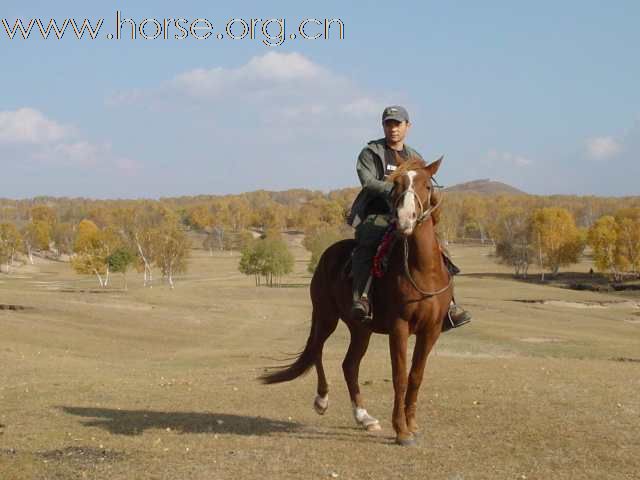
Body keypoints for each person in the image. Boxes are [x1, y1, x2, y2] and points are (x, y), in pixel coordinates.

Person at [346, 105, 472, 329]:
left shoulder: (415, 157)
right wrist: (397, 190)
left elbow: (424, 185)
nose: (393, 128)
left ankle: (450, 305)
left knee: (436, 246)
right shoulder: (371, 152)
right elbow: (368, 182)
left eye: (397, 123)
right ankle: (362, 298)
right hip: (378, 214)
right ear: (383, 126)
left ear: (407, 126)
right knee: (368, 243)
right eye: (388, 123)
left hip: (410, 213)